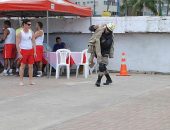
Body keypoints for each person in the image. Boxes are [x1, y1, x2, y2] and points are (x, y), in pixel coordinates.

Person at [88, 23, 115, 87]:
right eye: (107, 29)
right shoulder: (100, 30)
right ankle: (109, 79)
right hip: (97, 51)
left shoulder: (110, 37)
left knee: (101, 66)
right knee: (103, 67)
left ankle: (98, 81)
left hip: (105, 52)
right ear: (106, 27)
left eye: (109, 30)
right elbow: (90, 29)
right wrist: (94, 27)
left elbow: (106, 45)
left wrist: (101, 39)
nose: (108, 31)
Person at [16, 19, 36, 86]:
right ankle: (21, 81)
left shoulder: (31, 32)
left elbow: (34, 42)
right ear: (24, 24)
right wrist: (19, 53)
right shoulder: (20, 33)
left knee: (31, 66)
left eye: (30, 24)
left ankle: (31, 80)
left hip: (30, 50)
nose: (30, 25)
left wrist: (35, 52)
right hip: (23, 50)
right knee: (22, 66)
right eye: (28, 24)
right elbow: (17, 44)